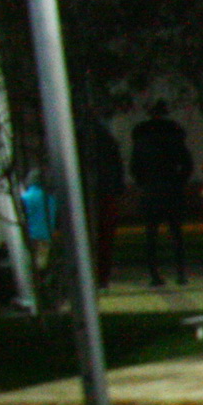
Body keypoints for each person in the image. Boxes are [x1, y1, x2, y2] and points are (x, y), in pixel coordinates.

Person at [129, 100, 194, 286]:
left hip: (151, 189)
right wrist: (179, 181)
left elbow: (135, 168)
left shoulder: (142, 140)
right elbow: (187, 164)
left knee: (151, 235)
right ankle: (181, 273)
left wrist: (144, 182)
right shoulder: (174, 137)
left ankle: (154, 274)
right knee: (176, 234)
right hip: (172, 188)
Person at [74, 112, 125, 289]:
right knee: (104, 238)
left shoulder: (76, 138)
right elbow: (117, 167)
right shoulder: (107, 140)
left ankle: (87, 275)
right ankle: (101, 276)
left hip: (85, 194)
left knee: (84, 237)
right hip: (106, 192)